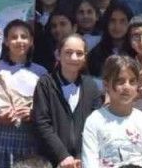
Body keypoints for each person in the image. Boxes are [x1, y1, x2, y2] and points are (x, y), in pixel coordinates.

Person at [0, 20, 47, 168]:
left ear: (31, 41)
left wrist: (33, 114)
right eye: (14, 37)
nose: (19, 41)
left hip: (28, 137)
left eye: (24, 36)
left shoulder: (41, 72)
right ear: (6, 41)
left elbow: (47, 106)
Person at [33, 35, 102, 168]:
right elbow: (41, 122)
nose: (74, 58)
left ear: (85, 57)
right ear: (58, 54)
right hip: (52, 160)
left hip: (83, 160)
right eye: (68, 52)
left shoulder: (91, 86)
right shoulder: (45, 83)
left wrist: (81, 156)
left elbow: (96, 124)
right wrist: (62, 155)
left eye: (79, 53)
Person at [81, 55, 142, 168]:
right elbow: (89, 162)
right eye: (120, 81)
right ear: (106, 85)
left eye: (132, 81)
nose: (126, 87)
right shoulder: (95, 121)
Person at [87, 3, 134, 77]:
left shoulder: (135, 52)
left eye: (122, 21)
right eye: (112, 21)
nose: (117, 26)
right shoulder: (95, 54)